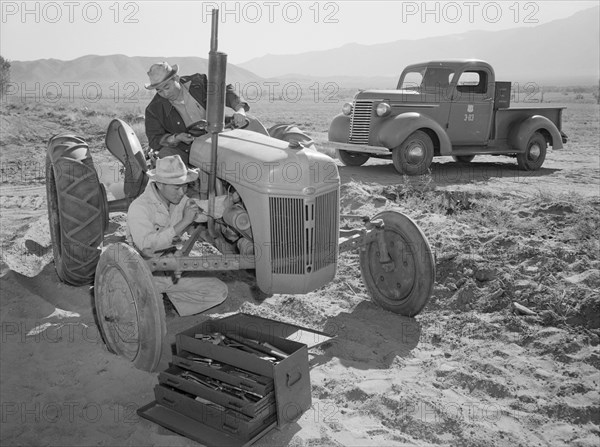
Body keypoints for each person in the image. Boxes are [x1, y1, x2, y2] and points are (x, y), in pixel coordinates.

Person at [126, 154, 227, 316]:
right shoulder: (139, 207)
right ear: (159, 184)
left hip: (168, 267)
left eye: (185, 186)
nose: (182, 192)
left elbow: (202, 209)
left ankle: (169, 294)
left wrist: (231, 203)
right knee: (146, 315)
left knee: (219, 291)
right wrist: (184, 222)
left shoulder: (178, 199)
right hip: (143, 272)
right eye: (176, 187)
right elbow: (147, 246)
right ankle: (152, 295)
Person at [144, 61, 249, 165]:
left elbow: (224, 90)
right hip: (188, 150)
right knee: (166, 157)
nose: (165, 93)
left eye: (167, 87)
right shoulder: (153, 110)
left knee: (250, 126)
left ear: (176, 78)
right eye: (159, 91)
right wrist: (176, 138)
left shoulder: (199, 83)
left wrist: (240, 109)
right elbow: (154, 139)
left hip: (218, 136)